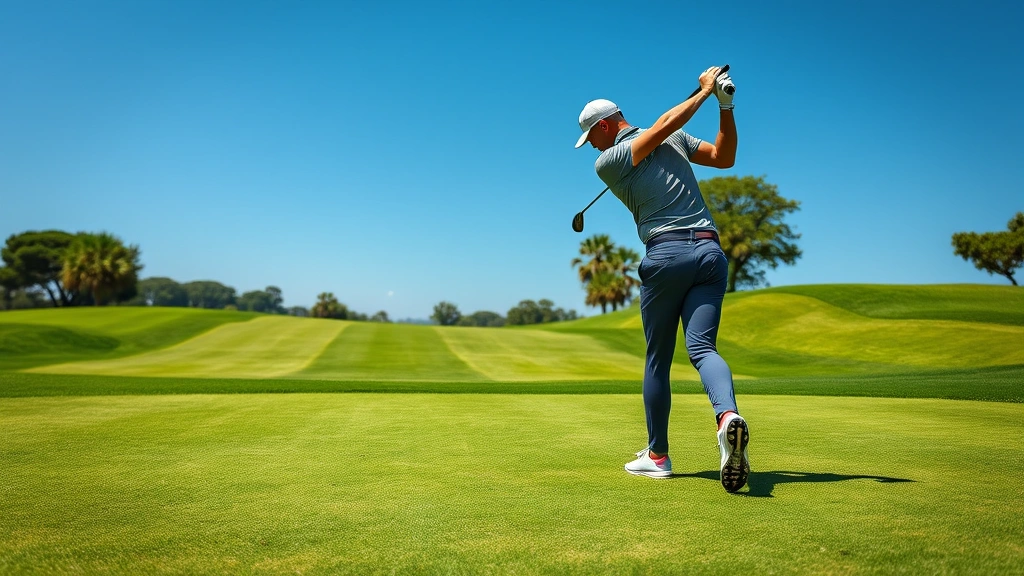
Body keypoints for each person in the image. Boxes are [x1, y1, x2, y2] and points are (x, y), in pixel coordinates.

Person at [574, 66, 749, 492]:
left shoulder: (610, 156)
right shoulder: (615, 160)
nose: (590, 147)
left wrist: (719, 102)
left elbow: (722, 158)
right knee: (703, 348)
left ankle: (658, 456)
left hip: (668, 253)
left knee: (658, 358)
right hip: (710, 251)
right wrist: (713, 98)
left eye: (590, 137)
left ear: (603, 126)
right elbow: (674, 130)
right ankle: (727, 416)